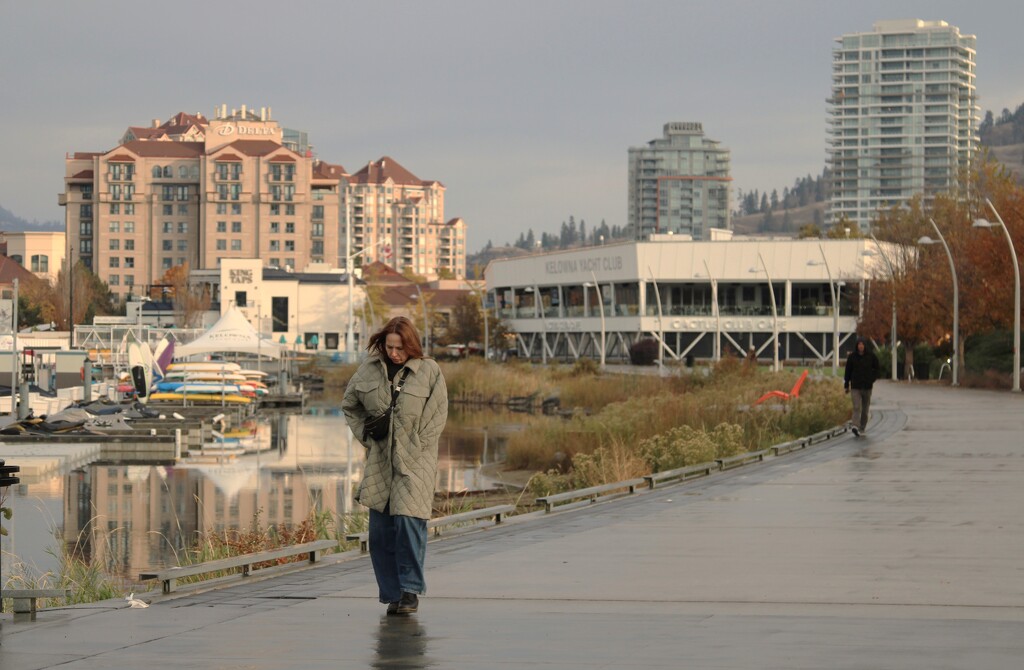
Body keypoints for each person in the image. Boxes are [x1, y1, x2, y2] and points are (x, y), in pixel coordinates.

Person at [343, 316, 448, 616]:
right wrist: (366, 435)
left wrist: (418, 443)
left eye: (400, 348)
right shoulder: (368, 370)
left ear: (411, 345)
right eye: (389, 347)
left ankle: (410, 591)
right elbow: (350, 404)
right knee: (379, 534)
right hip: (380, 462)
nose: (394, 354)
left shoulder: (429, 371)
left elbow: (438, 413)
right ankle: (392, 594)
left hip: (415, 462)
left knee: (408, 524)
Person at [844, 338, 879, 437]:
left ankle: (862, 427)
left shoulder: (871, 356)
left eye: (862, 344)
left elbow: (877, 368)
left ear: (865, 345)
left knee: (865, 409)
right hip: (855, 386)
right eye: (859, 344)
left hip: (867, 386)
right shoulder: (852, 357)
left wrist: (872, 378)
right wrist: (846, 384)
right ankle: (855, 425)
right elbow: (848, 371)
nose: (860, 346)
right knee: (856, 407)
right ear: (856, 346)